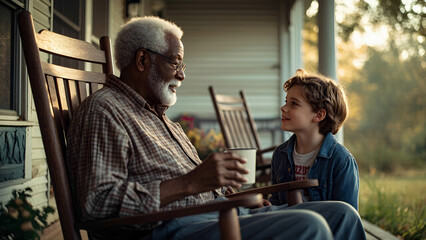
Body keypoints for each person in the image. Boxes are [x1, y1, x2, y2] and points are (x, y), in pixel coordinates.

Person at [67, 16, 366, 240]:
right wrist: (191, 183)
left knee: (344, 215)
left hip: (217, 214)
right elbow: (97, 204)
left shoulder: (159, 118)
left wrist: (235, 197)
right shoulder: (105, 110)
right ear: (143, 60)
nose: (182, 76)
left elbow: (199, 186)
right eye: (176, 63)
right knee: (310, 227)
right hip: (175, 229)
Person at [269, 69, 360, 210]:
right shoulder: (279, 155)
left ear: (318, 115)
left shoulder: (341, 160)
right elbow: (276, 204)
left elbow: (346, 216)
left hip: (325, 230)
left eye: (294, 103)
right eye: (286, 101)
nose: (283, 108)